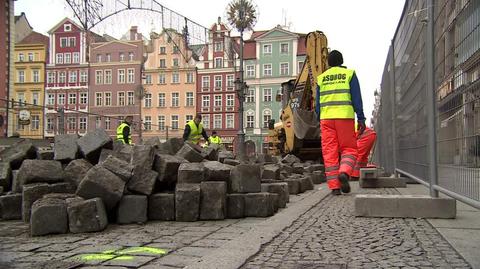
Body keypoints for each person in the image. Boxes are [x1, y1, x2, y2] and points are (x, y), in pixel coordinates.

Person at [315, 50, 366, 195]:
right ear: (342, 61)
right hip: (345, 118)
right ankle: (344, 172)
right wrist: (361, 118)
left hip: (326, 119)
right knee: (349, 149)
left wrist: (320, 118)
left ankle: (334, 187)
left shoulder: (321, 78)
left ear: (328, 63)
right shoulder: (349, 74)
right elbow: (357, 98)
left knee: (329, 152)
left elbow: (318, 105)